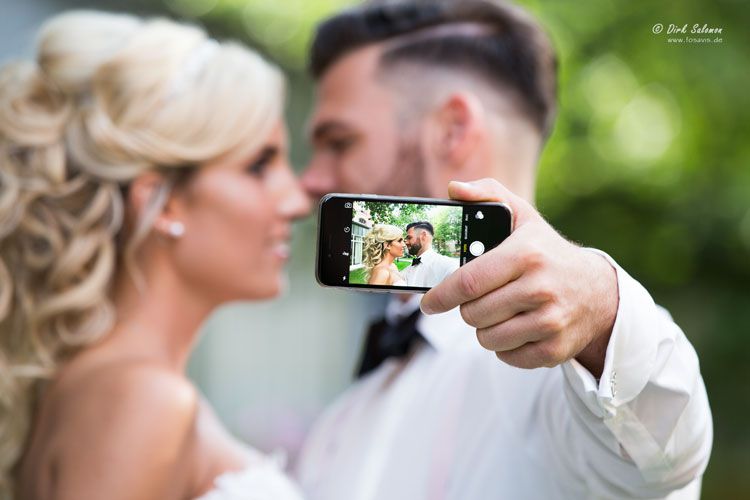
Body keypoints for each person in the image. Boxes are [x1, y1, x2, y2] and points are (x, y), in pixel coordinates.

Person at [297, 1, 712, 499]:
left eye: (339, 142)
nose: (311, 180)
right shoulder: (342, 419)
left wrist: (601, 310)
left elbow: (664, 456)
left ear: (452, 129)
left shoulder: (568, 379)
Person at [0, 11, 310, 500]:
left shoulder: (104, 386)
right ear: (162, 203)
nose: (297, 200)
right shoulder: (145, 402)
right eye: (258, 166)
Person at [401, 221, 458, 287]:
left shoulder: (449, 265)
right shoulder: (407, 270)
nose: (406, 242)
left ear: (423, 236)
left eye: (409, 238)